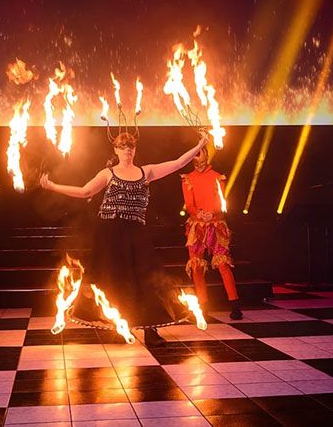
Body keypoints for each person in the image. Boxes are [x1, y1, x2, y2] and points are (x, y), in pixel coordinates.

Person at [40, 131, 208, 346]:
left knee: (146, 278)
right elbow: (84, 191)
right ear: (116, 150)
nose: (127, 150)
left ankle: (150, 329)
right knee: (113, 278)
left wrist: (200, 144)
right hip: (110, 233)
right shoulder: (108, 173)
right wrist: (53, 186)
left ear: (135, 149)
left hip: (136, 232)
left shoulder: (145, 172)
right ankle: (117, 327)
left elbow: (177, 163)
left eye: (131, 146)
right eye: (123, 146)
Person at [181, 146, 243, 320]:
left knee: (223, 265)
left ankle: (235, 305)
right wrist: (198, 213)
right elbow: (189, 204)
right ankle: (203, 306)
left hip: (216, 225)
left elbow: (221, 200)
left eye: (201, 152)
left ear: (207, 155)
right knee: (197, 266)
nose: (199, 156)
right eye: (196, 153)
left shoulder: (217, 177)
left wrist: (212, 213)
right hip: (197, 226)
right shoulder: (188, 179)